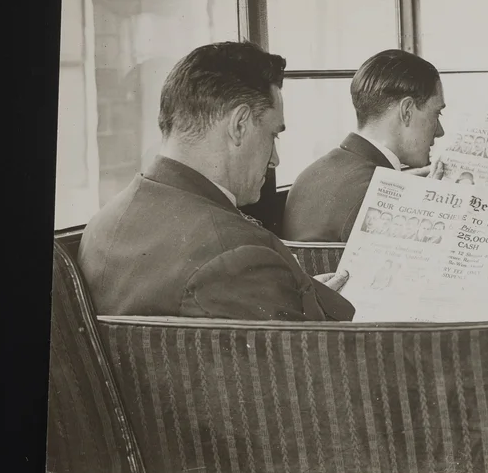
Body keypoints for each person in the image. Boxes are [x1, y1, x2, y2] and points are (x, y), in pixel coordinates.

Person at [79, 42, 354, 321]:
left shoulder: (99, 227)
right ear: (239, 125)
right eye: (273, 135)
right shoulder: (238, 257)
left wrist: (293, 293)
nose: (275, 160)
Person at [282, 50, 445, 242]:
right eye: (437, 114)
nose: (440, 131)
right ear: (407, 111)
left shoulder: (312, 174)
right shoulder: (380, 197)